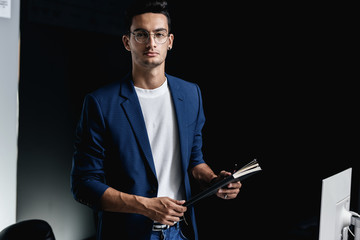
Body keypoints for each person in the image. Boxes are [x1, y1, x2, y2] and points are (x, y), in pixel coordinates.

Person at [70, 1, 241, 239]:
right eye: (141, 34)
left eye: (159, 34)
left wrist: (213, 180)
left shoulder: (191, 94)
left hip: (180, 232)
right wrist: (145, 206)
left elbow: (194, 160)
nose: (151, 43)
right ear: (126, 42)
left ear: (169, 42)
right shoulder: (100, 103)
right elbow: (84, 185)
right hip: (127, 234)